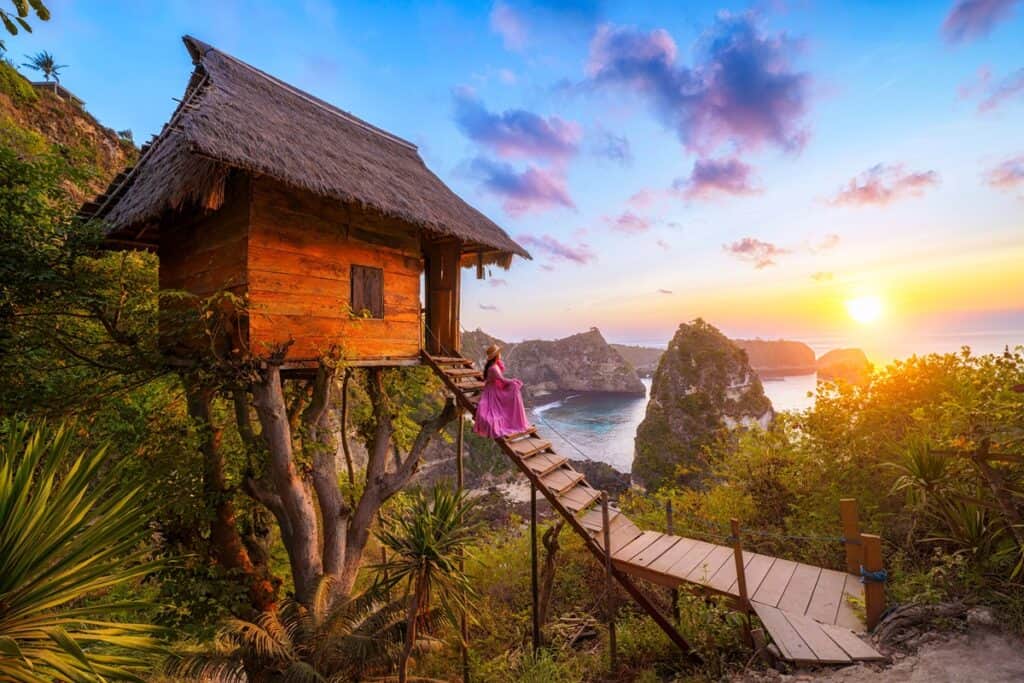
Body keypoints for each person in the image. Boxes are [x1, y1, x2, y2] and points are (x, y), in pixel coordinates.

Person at [473, 344, 530, 439]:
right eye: (499, 354)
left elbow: (500, 379)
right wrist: (514, 381)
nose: (500, 355)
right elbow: (503, 380)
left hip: (493, 388)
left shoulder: (493, 365)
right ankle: (516, 418)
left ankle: (516, 417)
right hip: (492, 392)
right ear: (496, 356)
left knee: (513, 386)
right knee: (514, 387)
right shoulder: (493, 368)